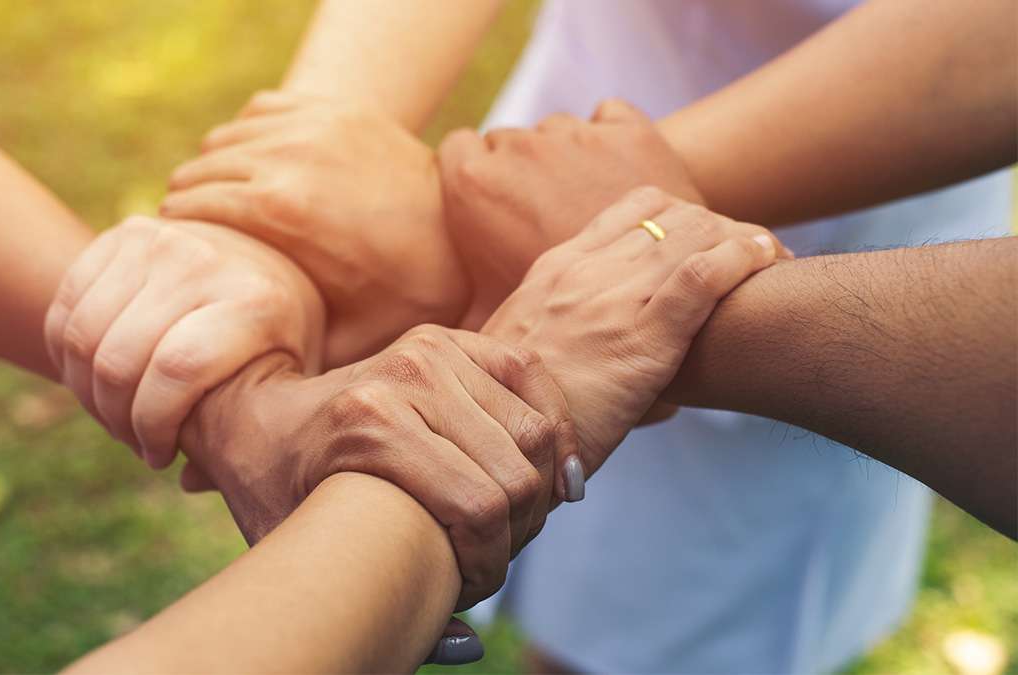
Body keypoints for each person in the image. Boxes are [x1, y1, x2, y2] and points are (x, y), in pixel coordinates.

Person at [159, 0, 1015, 670]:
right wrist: (302, 163)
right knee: (563, 592)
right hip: (557, 147)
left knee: (683, 634)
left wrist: (587, 223)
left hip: (857, 189)